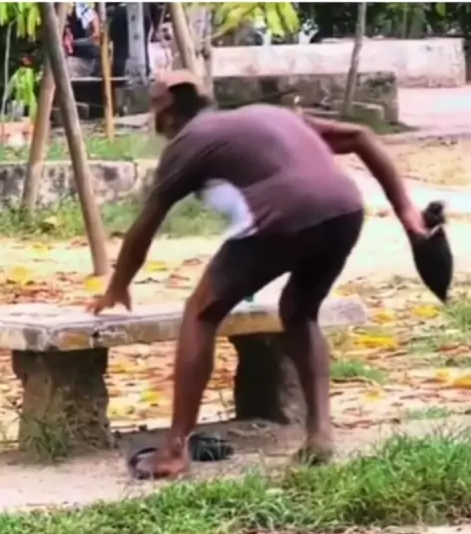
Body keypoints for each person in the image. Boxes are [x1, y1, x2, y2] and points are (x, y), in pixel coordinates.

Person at [90, 71, 430, 480]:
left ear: (168, 115)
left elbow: (144, 227)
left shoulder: (187, 143)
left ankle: (174, 451)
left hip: (282, 215)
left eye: (155, 112)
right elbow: (360, 136)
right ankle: (320, 433)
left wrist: (118, 285)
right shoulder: (272, 115)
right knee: (300, 311)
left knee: (201, 312)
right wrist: (408, 215)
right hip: (344, 209)